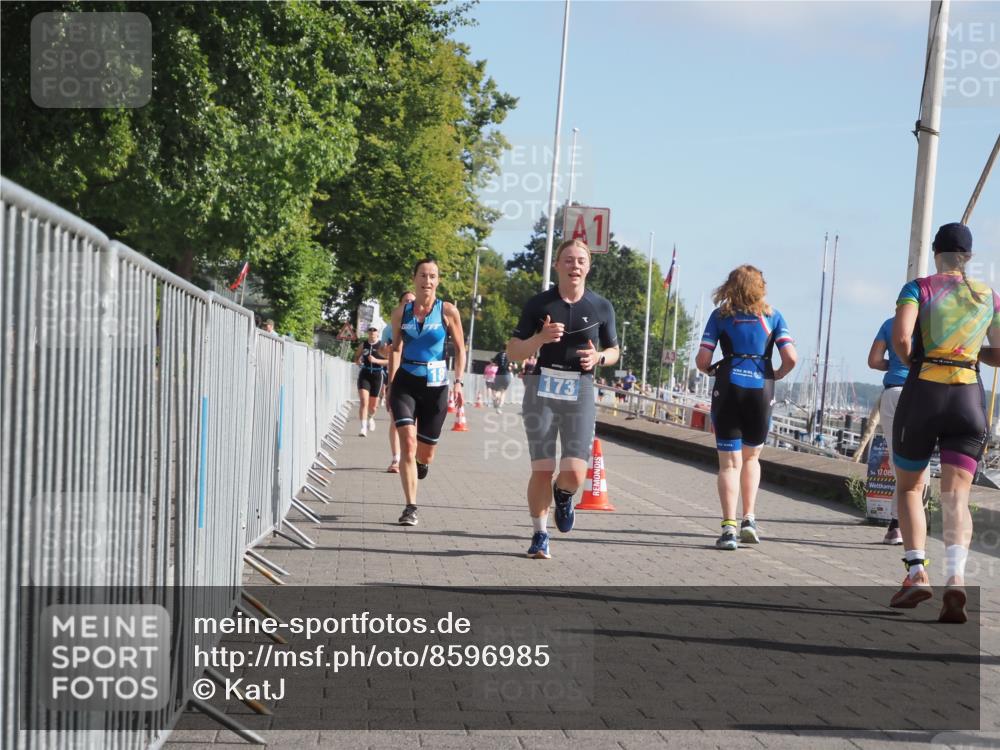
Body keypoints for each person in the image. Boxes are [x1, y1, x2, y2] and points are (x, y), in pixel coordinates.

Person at [888, 223, 999, 623]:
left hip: (924, 391)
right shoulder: (989, 295)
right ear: (967, 258)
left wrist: (920, 362)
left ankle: (917, 571)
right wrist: (973, 356)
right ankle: (956, 577)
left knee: (910, 487)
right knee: (956, 498)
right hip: (969, 397)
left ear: (936, 253)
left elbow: (902, 339)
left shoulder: (918, 287)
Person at [507, 238, 620, 559]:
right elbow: (513, 351)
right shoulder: (539, 304)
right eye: (568, 260)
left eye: (581, 260)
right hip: (542, 386)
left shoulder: (601, 307)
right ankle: (540, 534)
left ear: (589, 267)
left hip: (580, 388)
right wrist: (540, 339)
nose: (575, 266)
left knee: (574, 473)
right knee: (542, 468)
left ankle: (564, 494)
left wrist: (599, 358)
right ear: (557, 265)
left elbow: (614, 351)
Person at [695, 264, 797, 551]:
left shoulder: (720, 316)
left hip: (728, 388)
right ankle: (749, 519)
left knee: (729, 463)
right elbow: (791, 357)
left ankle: (728, 529)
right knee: (751, 459)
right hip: (760, 390)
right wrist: (777, 373)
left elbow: (703, 359)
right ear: (760, 288)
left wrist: (711, 369)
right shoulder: (773, 316)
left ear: (730, 287)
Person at [388, 259, 466, 526]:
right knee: (407, 445)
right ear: (414, 278)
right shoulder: (401, 313)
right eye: (423, 275)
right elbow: (396, 348)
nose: (428, 281)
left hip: (436, 387)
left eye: (433, 276)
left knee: (425, 453)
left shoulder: (448, 311)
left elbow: (460, 349)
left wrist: (459, 382)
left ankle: (422, 464)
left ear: (438, 280)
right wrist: (389, 383)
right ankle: (410, 507)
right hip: (406, 382)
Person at [867, 314, 927, 545]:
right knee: (920, 458)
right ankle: (903, 521)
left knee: (897, 459)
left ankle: (896, 525)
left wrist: (894, 364)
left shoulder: (889, 324)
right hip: (922, 391)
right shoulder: (930, 323)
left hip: (893, 393)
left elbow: (873, 361)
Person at [381, 291, 416, 472]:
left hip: (416, 377)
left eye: (412, 301)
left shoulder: (423, 324)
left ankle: (409, 457)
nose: (409, 303)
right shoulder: (391, 325)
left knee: (412, 425)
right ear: (401, 304)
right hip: (396, 376)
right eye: (406, 301)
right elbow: (382, 350)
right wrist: (386, 350)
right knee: (396, 420)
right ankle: (396, 459)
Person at [355, 326, 388, 436]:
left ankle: (371, 417)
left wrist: (376, 360)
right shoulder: (363, 345)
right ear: (368, 333)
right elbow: (356, 358)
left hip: (378, 375)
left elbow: (389, 361)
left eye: (375, 331)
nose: (372, 332)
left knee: (373, 406)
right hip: (365, 374)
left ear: (378, 333)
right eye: (370, 331)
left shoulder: (382, 346)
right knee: (364, 401)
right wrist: (358, 361)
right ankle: (363, 428)